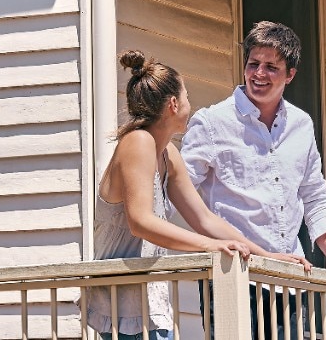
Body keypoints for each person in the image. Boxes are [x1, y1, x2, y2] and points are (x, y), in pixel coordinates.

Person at [85, 50, 312, 340]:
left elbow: (204, 218)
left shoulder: (168, 154)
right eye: (187, 96)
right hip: (120, 301)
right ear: (173, 104)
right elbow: (140, 221)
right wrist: (211, 247)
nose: (191, 106)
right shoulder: (137, 142)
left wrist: (265, 254)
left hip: (149, 299)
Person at [180, 21, 326, 338]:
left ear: (290, 75)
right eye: (253, 64)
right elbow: (178, 191)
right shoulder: (212, 122)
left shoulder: (301, 125)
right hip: (232, 278)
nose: (259, 74)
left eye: (271, 67)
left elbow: (315, 199)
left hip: (289, 283)